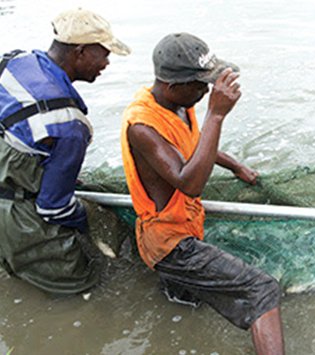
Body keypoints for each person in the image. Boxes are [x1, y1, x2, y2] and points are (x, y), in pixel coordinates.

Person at [120, 33, 284, 354]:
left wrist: (235, 165)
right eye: (199, 84)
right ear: (171, 85)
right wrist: (217, 114)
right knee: (263, 290)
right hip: (170, 244)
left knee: (187, 300)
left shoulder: (177, 103)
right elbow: (189, 182)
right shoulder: (143, 126)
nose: (206, 91)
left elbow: (192, 144)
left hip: (183, 227)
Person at [0, 8, 130, 294]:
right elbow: (53, 207)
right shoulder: (70, 125)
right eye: (104, 53)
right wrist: (93, 219)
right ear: (80, 52)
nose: (107, 63)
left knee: (17, 283)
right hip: (21, 221)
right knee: (84, 291)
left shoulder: (14, 62)